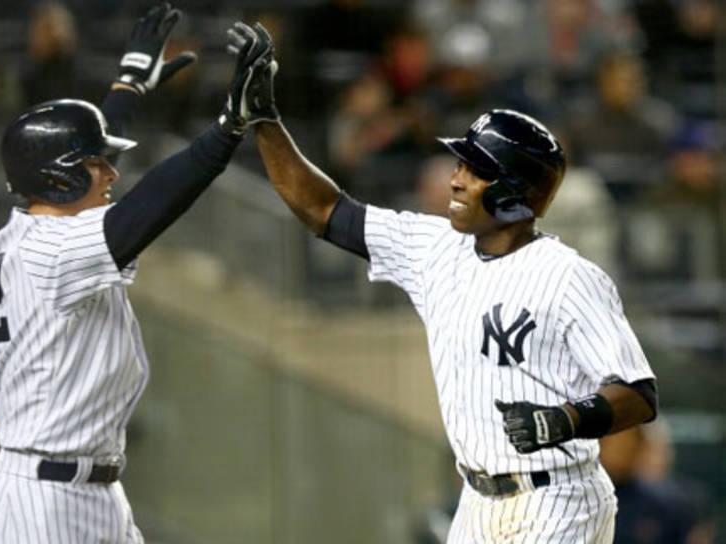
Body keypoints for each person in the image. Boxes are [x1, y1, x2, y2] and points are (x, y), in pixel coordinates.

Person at [235, 23, 658, 543]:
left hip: (557, 498)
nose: (456, 179)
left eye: (475, 170)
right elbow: (324, 210)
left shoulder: (569, 277)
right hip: (477, 502)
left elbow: (638, 393)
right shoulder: (432, 246)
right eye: (461, 164)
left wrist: (565, 420)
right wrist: (265, 121)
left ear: (512, 191)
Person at [0, 5, 272, 543]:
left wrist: (127, 86)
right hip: (40, 503)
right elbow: (148, 208)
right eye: (96, 165)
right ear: (59, 180)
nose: (111, 172)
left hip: (89, 493)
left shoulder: (28, 235)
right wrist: (228, 127)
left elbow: (80, 151)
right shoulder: (49, 251)